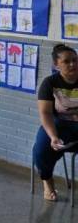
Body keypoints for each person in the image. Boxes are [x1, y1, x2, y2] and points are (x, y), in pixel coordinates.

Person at [35, 44, 78, 202]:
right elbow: (45, 113)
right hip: (59, 125)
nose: (72, 64)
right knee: (40, 150)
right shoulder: (50, 83)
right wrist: (53, 136)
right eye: (66, 61)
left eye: (75, 60)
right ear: (56, 64)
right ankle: (48, 183)